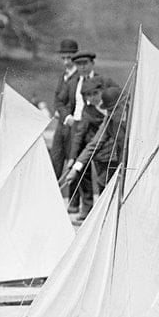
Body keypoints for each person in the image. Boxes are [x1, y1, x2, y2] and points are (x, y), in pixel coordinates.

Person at [59, 86, 126, 218]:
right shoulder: (109, 120)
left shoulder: (138, 116)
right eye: (109, 110)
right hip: (121, 162)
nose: (112, 113)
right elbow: (94, 144)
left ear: (123, 103)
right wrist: (75, 169)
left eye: (114, 109)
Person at [48, 38, 80, 176]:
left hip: (74, 126)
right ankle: (51, 195)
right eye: (63, 58)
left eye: (69, 58)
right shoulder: (64, 76)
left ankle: (73, 197)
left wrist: (65, 113)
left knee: (72, 163)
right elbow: (57, 98)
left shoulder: (80, 76)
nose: (66, 62)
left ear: (76, 57)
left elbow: (74, 101)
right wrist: (63, 114)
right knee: (55, 159)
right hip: (62, 123)